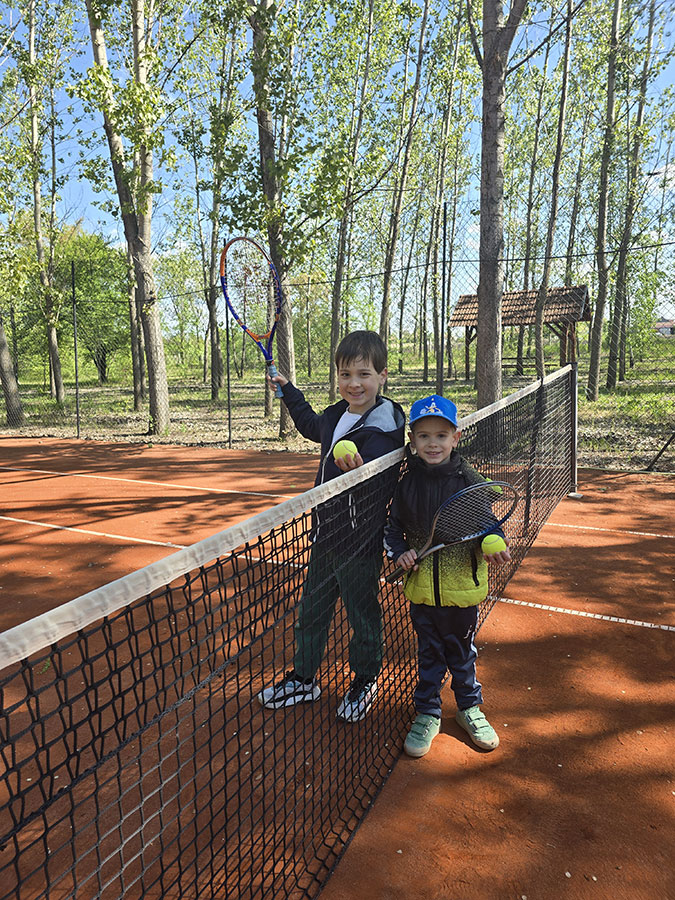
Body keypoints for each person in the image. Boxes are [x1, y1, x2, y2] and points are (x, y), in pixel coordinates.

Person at [258, 330, 406, 722]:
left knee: (363, 617)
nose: (354, 384)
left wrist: (358, 468)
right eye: (345, 375)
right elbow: (311, 426)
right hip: (325, 535)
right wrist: (289, 391)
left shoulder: (386, 425)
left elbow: (379, 476)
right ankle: (304, 678)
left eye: (364, 374)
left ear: (382, 376)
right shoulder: (338, 414)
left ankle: (365, 680)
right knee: (312, 612)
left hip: (359, 543)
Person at [383, 394, 511, 756]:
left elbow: (489, 526)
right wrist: (400, 553)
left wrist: (494, 541)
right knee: (429, 655)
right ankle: (427, 712)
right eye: (424, 436)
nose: (433, 443)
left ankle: (469, 708)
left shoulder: (469, 482)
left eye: (441, 435)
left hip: (462, 592)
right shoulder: (406, 484)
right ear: (413, 441)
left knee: (462, 655)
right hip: (422, 592)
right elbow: (393, 529)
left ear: (456, 437)